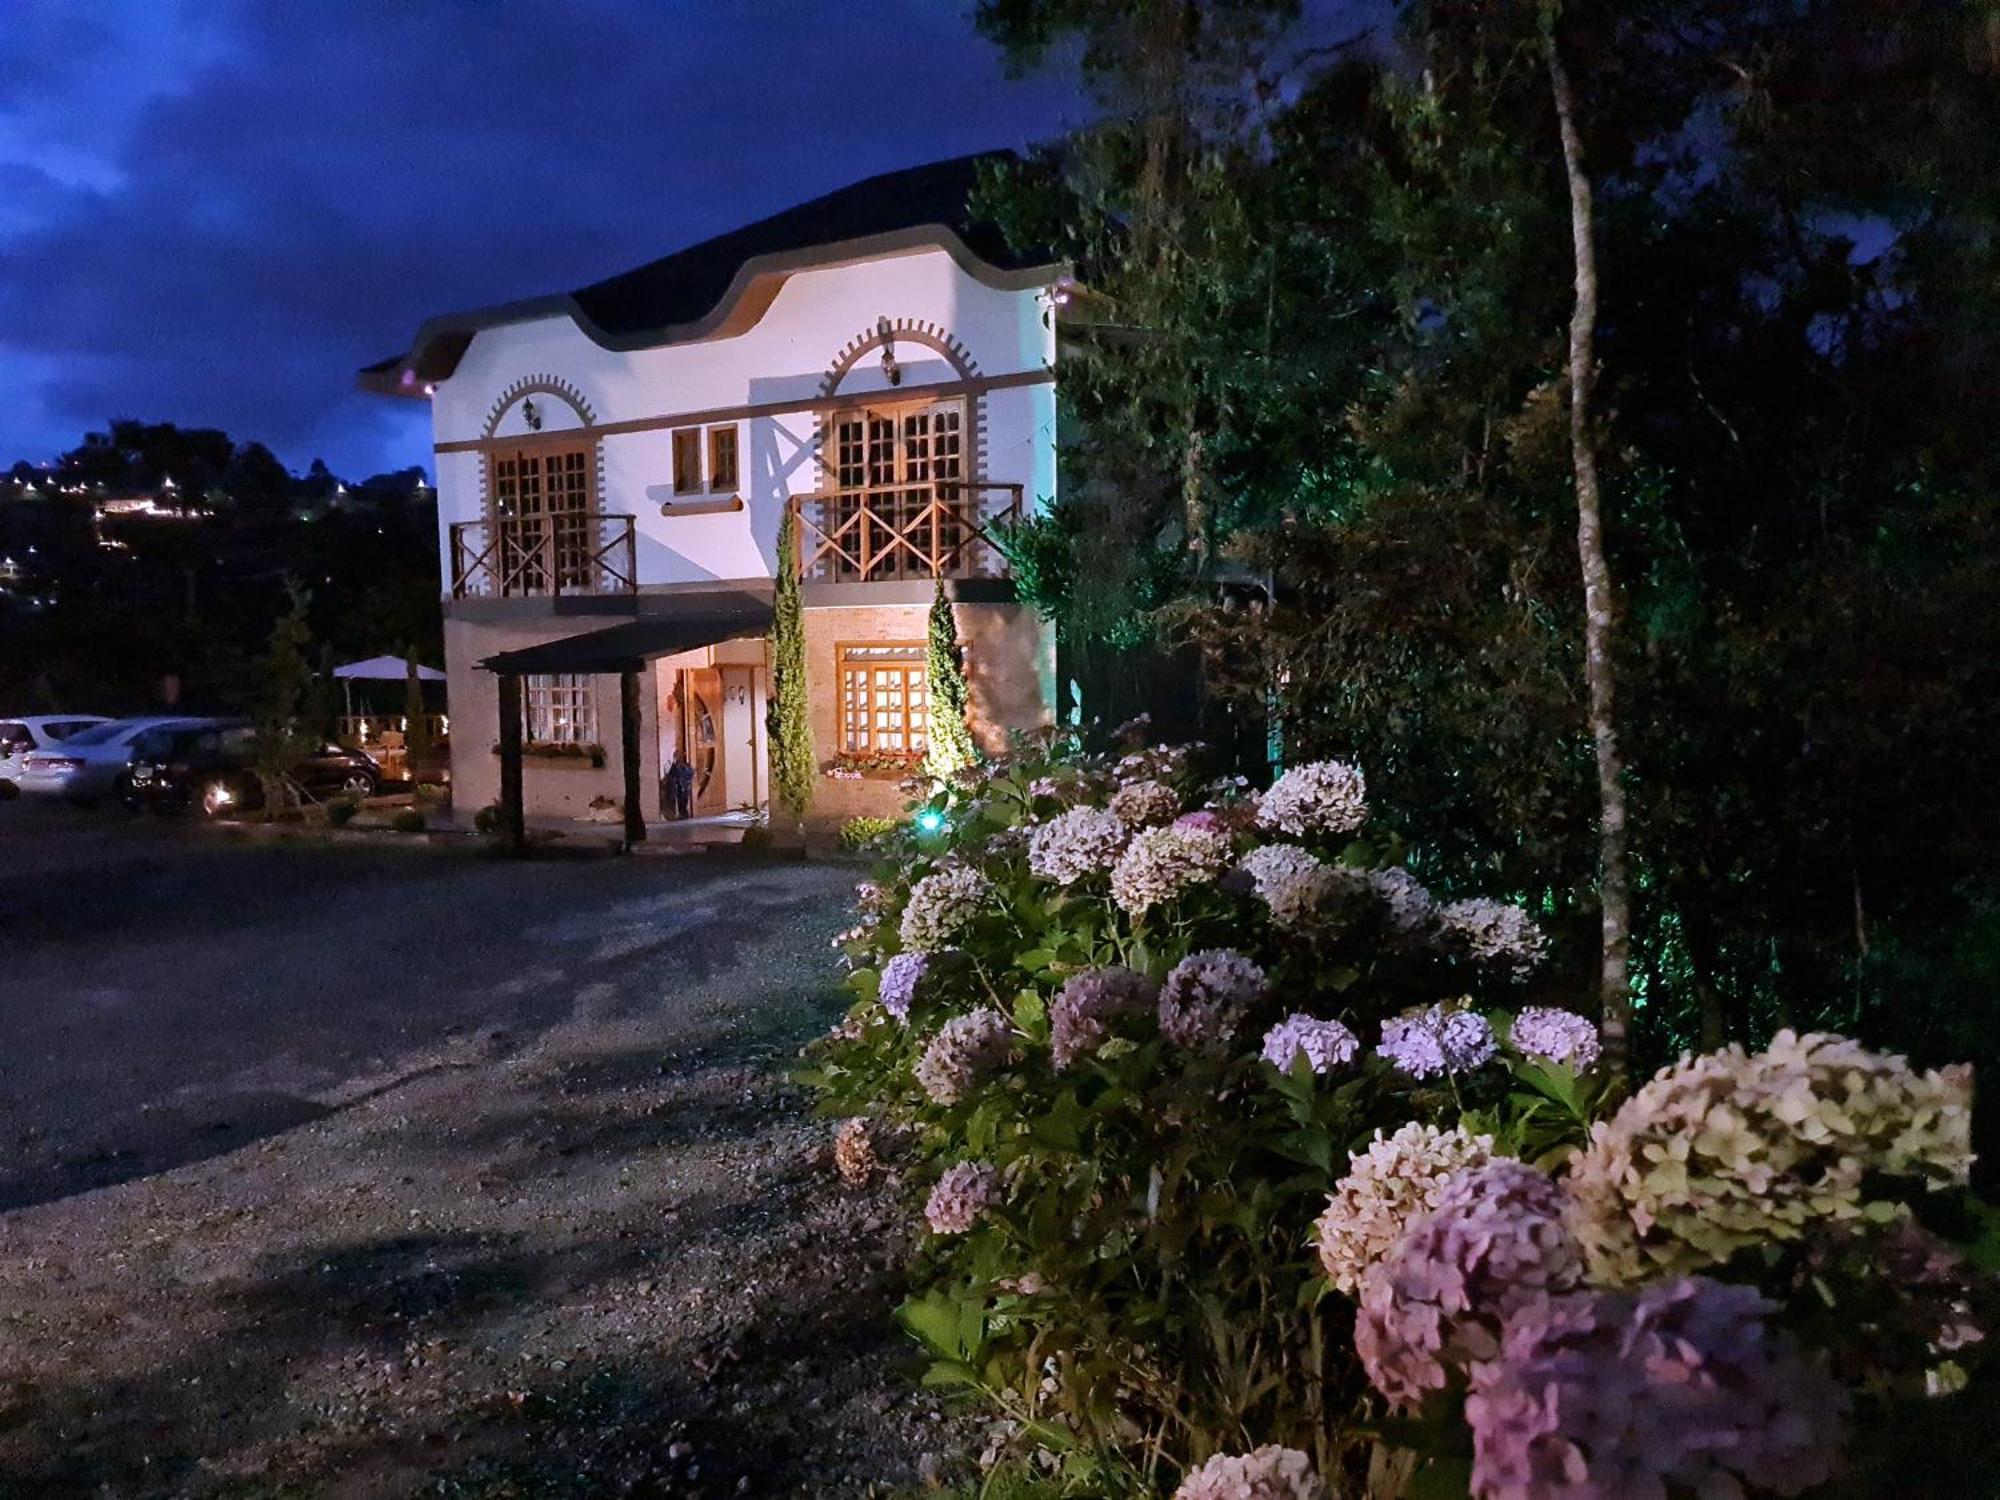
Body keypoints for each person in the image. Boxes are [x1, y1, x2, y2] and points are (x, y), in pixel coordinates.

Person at [666, 749, 695, 820]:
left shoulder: (681, 765)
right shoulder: (677, 765)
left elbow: (673, 774)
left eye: (676, 756)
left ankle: (684, 814)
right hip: (682, 786)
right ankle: (683, 814)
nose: (676, 757)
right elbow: (671, 775)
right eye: (675, 756)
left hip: (683, 786)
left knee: (683, 801)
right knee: (682, 801)